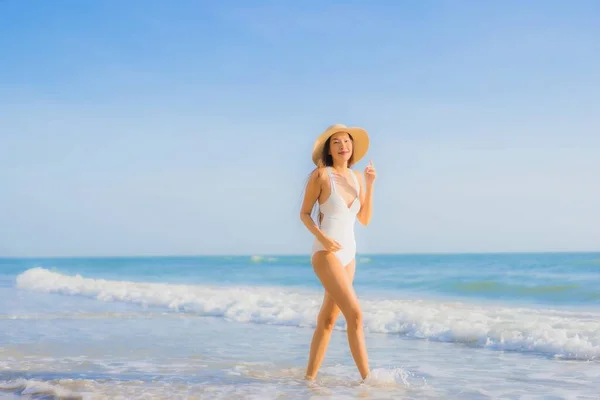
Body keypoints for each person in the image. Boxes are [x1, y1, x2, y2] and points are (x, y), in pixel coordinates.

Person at [300, 123, 377, 381]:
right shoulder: (322, 176)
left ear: (352, 147)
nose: (343, 146)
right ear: (329, 150)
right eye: (337, 143)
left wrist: (370, 183)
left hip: (349, 255)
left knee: (328, 319)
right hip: (325, 252)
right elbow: (304, 214)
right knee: (355, 314)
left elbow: (364, 218)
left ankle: (309, 379)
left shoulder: (356, 178)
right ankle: (368, 380)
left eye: (347, 141)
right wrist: (323, 237)